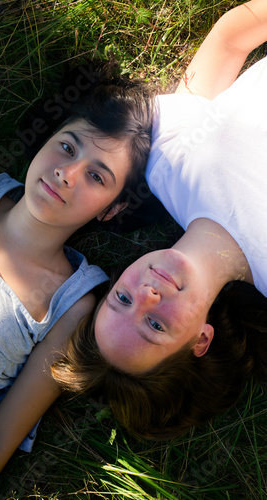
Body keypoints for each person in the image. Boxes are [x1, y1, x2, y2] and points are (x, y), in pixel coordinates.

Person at [0, 67, 156, 499]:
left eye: (97, 176)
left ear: (111, 210)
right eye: (67, 147)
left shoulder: (73, 305)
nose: (67, 174)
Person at [51, 0, 267, 440]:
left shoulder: (165, 165)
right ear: (200, 341)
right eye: (155, 325)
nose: (147, 295)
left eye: (122, 300)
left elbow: (229, 40)